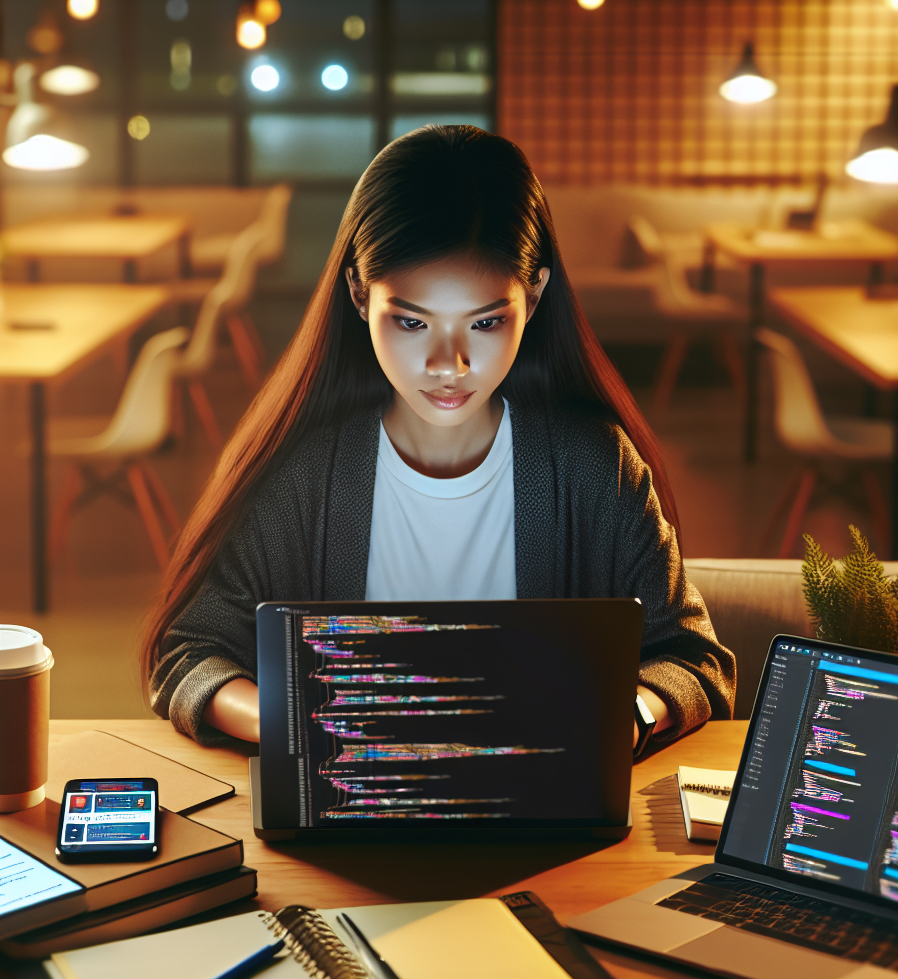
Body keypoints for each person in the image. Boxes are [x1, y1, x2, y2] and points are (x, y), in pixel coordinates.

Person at [141, 125, 735, 748]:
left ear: (533, 297)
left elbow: (694, 657)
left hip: (545, 826)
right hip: (347, 814)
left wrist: (625, 716)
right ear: (358, 293)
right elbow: (191, 654)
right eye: (410, 321)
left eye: (483, 322)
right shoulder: (303, 469)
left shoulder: (593, 466)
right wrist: (294, 727)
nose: (447, 363)